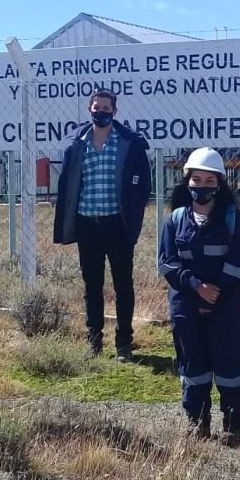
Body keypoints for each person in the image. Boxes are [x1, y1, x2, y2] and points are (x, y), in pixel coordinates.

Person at [158, 148, 240, 446]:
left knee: (229, 365)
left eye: (209, 180)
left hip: (225, 306)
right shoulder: (174, 220)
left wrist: (214, 295)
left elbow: (239, 261)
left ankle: (232, 423)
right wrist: (197, 287)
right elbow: (167, 263)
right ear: (187, 182)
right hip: (186, 305)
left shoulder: (233, 219)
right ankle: (197, 421)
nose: (202, 186)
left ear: (219, 184)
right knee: (192, 364)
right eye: (196, 179)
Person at [54, 89, 151, 361]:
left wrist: (133, 214)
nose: (101, 112)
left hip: (117, 226)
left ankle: (124, 344)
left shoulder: (128, 142)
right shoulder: (77, 143)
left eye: (106, 108)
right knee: (92, 286)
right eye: (97, 107)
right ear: (89, 109)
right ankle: (94, 342)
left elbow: (143, 185)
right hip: (88, 225)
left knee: (123, 286)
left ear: (114, 112)